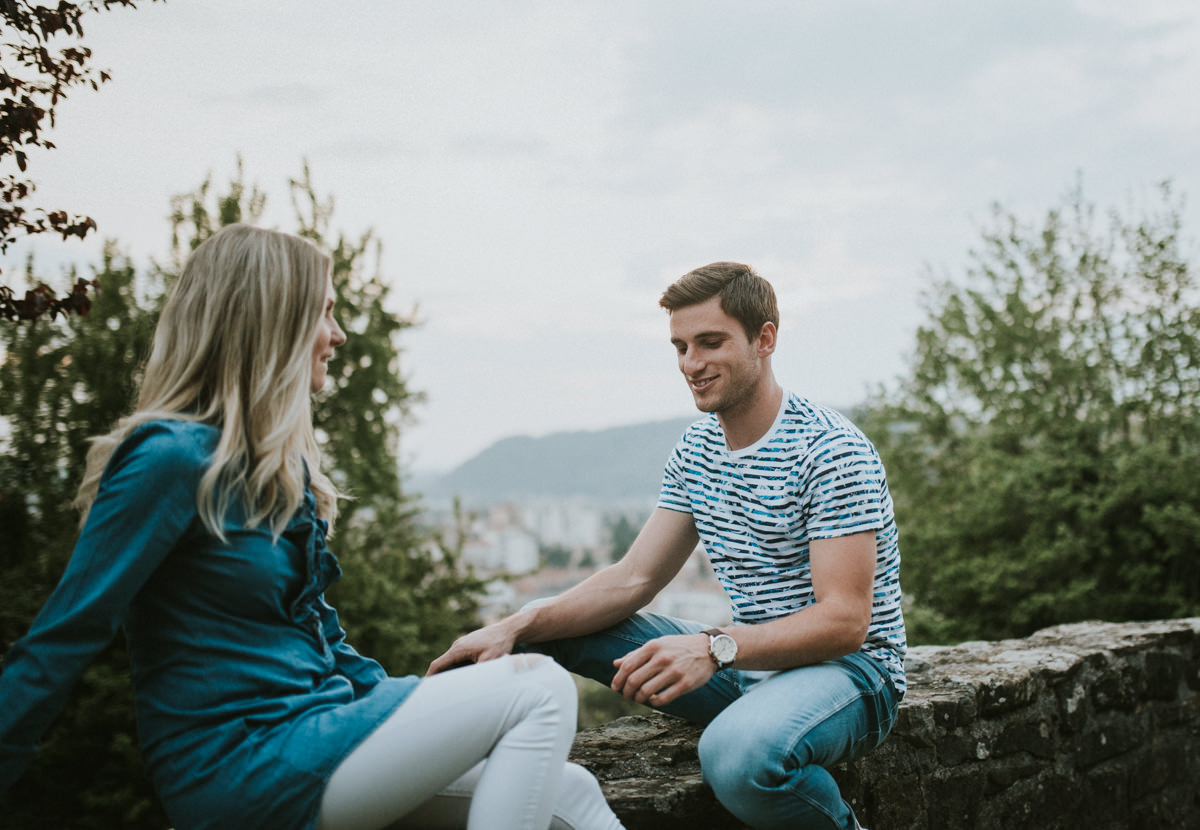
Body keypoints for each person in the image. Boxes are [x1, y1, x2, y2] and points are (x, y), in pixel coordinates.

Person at [0, 224, 624, 830]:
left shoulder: (273, 467)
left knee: (572, 794)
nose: (339, 334)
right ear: (271, 321)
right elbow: (65, 635)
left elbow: (317, 636)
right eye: (324, 312)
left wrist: (414, 706)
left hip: (318, 733)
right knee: (538, 687)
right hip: (242, 764)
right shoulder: (169, 458)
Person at [429, 262, 905, 830]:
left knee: (736, 757)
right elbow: (633, 578)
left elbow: (845, 622)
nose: (691, 364)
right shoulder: (697, 449)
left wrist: (711, 649)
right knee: (552, 630)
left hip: (849, 676)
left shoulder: (831, 450)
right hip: (748, 669)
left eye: (709, 343)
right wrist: (516, 625)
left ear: (765, 339)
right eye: (680, 346)